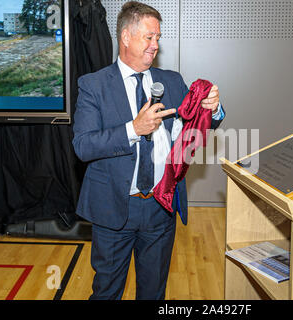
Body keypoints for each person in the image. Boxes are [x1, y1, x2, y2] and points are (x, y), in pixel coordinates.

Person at [72, 1, 225, 300]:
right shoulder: (94, 85)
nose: (155, 45)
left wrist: (214, 109)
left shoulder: (172, 81)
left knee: (154, 293)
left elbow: (198, 126)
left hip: (160, 207)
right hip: (114, 210)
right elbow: (83, 145)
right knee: (106, 293)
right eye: (149, 37)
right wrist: (133, 129)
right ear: (126, 37)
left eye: (158, 38)